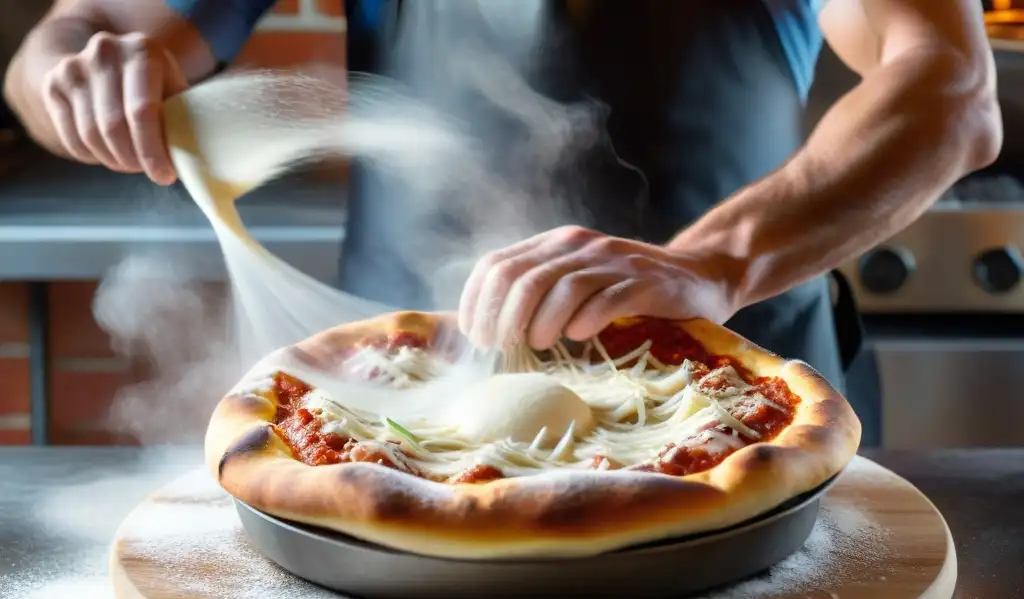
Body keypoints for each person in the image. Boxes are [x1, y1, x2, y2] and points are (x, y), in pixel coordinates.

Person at [3, 0, 1002, 449]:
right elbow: (73, 32)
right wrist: (75, 74)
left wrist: (710, 261)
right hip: (414, 419)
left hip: (742, 401)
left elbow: (950, 88)